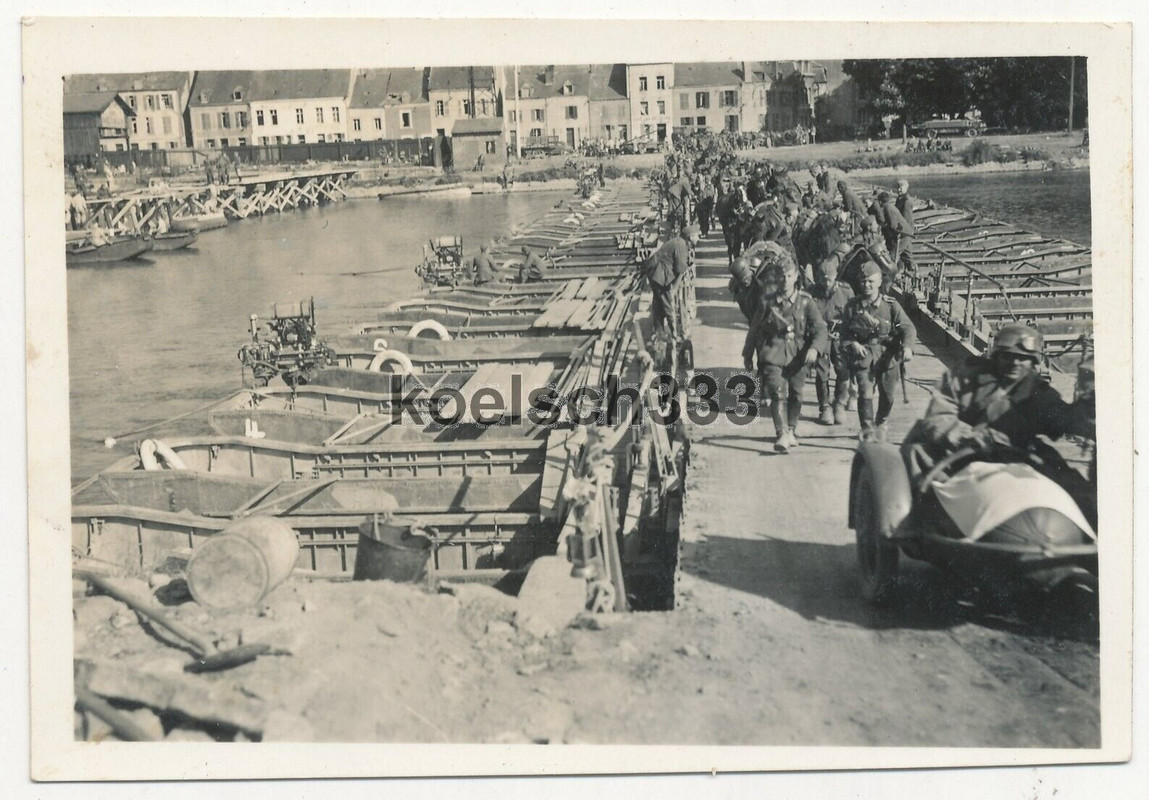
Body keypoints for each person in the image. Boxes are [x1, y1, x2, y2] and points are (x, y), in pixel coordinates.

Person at [900, 324, 1095, 526]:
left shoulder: (1037, 391)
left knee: (1072, 485)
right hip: (959, 451)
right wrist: (970, 436)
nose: (1016, 362)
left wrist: (1087, 414)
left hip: (1016, 454)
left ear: (1034, 361)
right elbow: (938, 417)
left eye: (1024, 358)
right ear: (997, 355)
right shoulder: (964, 378)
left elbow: (1060, 419)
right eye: (1008, 356)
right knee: (927, 480)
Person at [742, 254, 828, 453]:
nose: (785, 280)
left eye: (789, 276)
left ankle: (791, 429)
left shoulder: (806, 303)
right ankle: (781, 432)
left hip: (798, 355)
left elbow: (820, 329)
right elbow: (754, 328)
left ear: (796, 276)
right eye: (781, 276)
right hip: (773, 353)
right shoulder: (767, 302)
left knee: (796, 395)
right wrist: (748, 353)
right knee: (777, 393)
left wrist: (815, 348)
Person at [839, 260, 916, 442]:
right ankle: (867, 429)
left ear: (880, 282)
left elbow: (908, 328)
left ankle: (881, 421)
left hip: (888, 356)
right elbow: (843, 333)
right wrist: (853, 344)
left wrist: (908, 347)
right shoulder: (852, 306)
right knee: (865, 392)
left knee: (888, 396)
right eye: (864, 282)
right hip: (864, 355)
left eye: (871, 282)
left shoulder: (891, 306)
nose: (867, 285)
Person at [809, 250, 855, 425]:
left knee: (844, 371)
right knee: (822, 373)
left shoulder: (846, 292)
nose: (826, 283)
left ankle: (840, 404)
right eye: (822, 279)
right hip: (822, 339)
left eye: (829, 279)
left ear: (835, 277)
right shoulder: (812, 293)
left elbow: (853, 315)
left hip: (841, 337)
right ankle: (824, 407)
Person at [645, 224, 700, 337]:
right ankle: (676, 335)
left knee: (659, 302)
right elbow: (680, 269)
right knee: (668, 304)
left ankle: (659, 331)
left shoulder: (679, 242)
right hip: (659, 273)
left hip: (655, 270)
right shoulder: (681, 246)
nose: (698, 238)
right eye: (697, 236)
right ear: (690, 237)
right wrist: (674, 289)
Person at [894, 179, 917, 275]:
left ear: (906, 188)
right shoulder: (900, 199)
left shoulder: (907, 201)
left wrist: (901, 231)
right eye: (898, 187)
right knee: (906, 253)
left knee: (901, 251)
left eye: (901, 188)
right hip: (902, 230)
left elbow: (906, 220)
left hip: (905, 231)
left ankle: (912, 271)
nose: (899, 189)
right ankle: (909, 271)